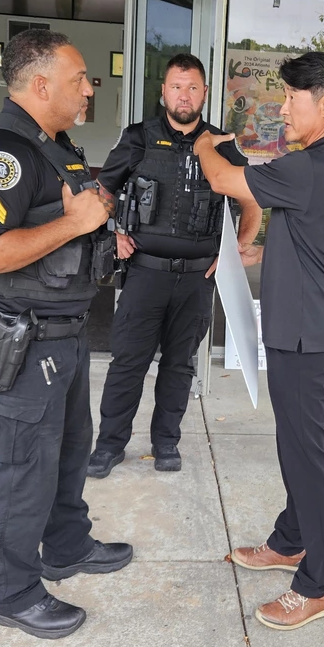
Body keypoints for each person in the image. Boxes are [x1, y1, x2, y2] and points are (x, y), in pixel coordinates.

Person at [0, 29, 132, 640]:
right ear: (40, 84)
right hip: (17, 339)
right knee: (20, 464)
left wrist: (100, 232)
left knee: (67, 450)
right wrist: (77, 221)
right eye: (80, 78)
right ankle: (13, 591)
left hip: (60, 335)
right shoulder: (2, 151)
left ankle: (64, 545)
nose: (89, 89)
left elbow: (61, 222)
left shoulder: (55, 145)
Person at [194, 52, 324, 631]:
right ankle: (290, 540)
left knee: (308, 455)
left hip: (307, 335)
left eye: (292, 97)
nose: (283, 107)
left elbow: (223, 178)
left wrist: (201, 141)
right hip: (308, 328)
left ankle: (317, 582)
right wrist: (266, 252)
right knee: (297, 443)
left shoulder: (312, 165)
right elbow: (320, 242)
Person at [86, 54, 262, 477]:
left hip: (198, 277)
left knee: (179, 365)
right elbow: (101, 191)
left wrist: (237, 248)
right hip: (145, 272)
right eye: (176, 87)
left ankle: (166, 443)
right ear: (163, 92)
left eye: (192, 87)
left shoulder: (223, 143)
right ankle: (110, 445)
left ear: (204, 93)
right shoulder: (138, 137)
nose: (184, 95)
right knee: (128, 363)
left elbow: (251, 199)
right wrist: (110, 234)